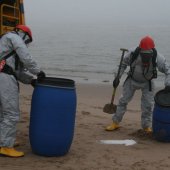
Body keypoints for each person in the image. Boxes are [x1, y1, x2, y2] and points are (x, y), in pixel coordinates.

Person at [105, 36, 170, 133]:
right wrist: (117, 77)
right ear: (140, 49)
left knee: (148, 105)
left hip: (147, 82)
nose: (145, 56)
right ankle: (115, 122)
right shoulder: (132, 53)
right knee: (123, 101)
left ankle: (146, 126)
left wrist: (168, 84)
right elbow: (122, 64)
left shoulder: (158, 57)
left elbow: (168, 70)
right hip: (132, 80)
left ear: (152, 50)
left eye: (148, 54)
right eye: (143, 53)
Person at [0, 25, 45, 157]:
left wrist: (30, 80)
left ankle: (4, 140)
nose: (27, 44)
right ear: (24, 35)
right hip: (4, 79)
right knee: (11, 113)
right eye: (27, 41)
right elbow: (25, 56)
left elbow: (15, 70)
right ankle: (5, 147)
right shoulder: (13, 37)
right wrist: (38, 71)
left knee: (2, 113)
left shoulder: (5, 42)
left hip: (3, 75)